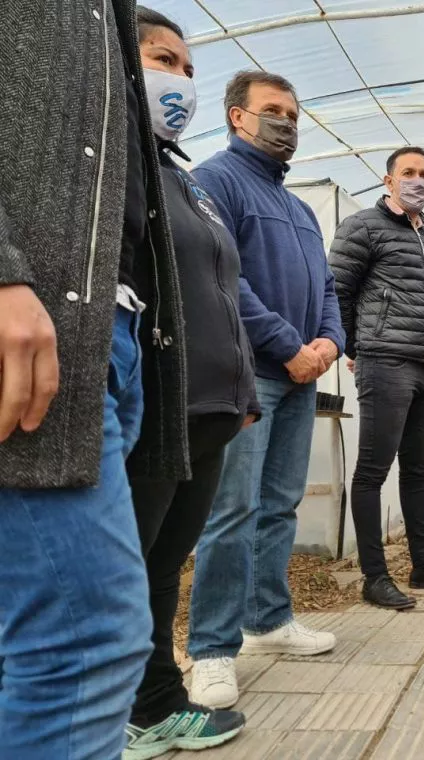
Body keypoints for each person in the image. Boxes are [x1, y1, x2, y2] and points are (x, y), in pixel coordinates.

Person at [0, 1, 189, 757]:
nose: (177, 78)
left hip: (108, 330)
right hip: (41, 328)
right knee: (87, 639)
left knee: (50, 631)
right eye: (164, 60)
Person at [124, 9, 263, 756]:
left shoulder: (184, 179)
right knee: (129, 568)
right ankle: (124, 711)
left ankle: (155, 703)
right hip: (155, 403)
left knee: (163, 566)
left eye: (186, 68)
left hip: (212, 411)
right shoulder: (116, 165)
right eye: (162, 60)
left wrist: (244, 393)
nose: (179, 79)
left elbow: (223, 291)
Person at [187, 69, 347, 709]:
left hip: (301, 376)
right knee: (232, 510)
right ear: (237, 116)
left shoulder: (300, 207)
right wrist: (289, 345)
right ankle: (211, 649)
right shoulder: (214, 182)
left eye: (294, 114)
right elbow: (222, 279)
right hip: (248, 375)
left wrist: (330, 341)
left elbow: (327, 287)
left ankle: (268, 619)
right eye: (274, 110)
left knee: (280, 503)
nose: (288, 123)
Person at [330, 147, 424, 610]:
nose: (418, 180)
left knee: (416, 471)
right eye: (408, 172)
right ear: (388, 180)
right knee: (372, 472)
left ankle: (423, 563)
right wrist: (357, 348)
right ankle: (374, 576)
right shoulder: (363, 227)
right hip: (386, 363)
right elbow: (337, 291)